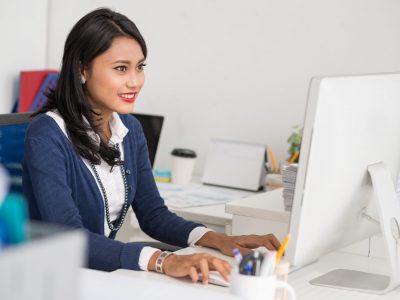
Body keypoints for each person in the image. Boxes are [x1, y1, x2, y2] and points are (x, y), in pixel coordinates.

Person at [22, 7, 280, 284]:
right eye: (121, 68)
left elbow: (153, 214)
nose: (135, 81)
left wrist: (219, 240)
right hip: (54, 280)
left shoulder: (129, 129)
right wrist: (162, 260)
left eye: (140, 67)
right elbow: (69, 238)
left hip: (105, 276)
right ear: (82, 69)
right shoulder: (46, 135)